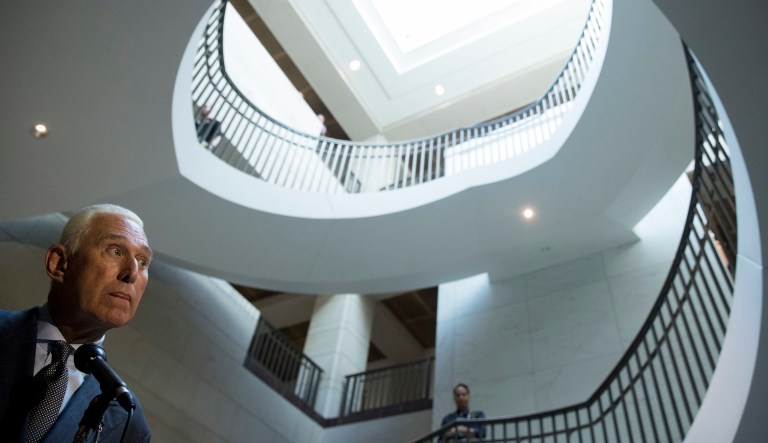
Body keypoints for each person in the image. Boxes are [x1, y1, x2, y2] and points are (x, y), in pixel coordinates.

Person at [0, 204, 152, 442]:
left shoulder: (127, 423)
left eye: (143, 262)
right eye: (115, 251)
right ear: (58, 263)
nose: (132, 272)